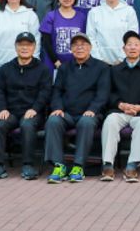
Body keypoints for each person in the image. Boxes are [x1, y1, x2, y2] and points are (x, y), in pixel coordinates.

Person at [0, 32, 52, 182]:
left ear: (34, 47)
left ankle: (28, 165)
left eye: (28, 45)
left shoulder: (43, 69)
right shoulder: (6, 69)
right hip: (11, 112)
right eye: (21, 45)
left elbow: (45, 92)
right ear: (15, 47)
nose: (24, 48)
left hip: (33, 112)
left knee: (27, 124)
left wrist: (35, 109)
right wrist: (2, 109)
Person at [45, 32, 111, 183]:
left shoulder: (101, 67)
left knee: (86, 122)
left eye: (83, 45)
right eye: (75, 45)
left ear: (90, 47)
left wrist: (92, 109)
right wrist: (57, 107)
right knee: (53, 121)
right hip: (67, 113)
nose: (79, 48)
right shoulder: (64, 68)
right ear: (71, 49)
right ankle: (59, 166)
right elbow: (57, 91)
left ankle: (78, 166)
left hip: (90, 113)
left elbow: (103, 93)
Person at [100, 32, 140, 183]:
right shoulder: (114, 70)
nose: (132, 47)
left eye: (136, 45)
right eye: (129, 44)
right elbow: (108, 92)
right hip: (120, 111)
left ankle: (132, 165)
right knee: (110, 121)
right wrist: (120, 104)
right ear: (124, 48)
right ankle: (108, 164)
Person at [86, 0, 139, 65]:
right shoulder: (94, 12)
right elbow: (90, 37)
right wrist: (100, 59)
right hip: (100, 62)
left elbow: (133, 37)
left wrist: (121, 59)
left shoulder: (129, 11)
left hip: (124, 61)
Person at [40, 0, 88, 72]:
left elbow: (85, 41)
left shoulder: (82, 17)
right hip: (53, 64)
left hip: (76, 64)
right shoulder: (51, 16)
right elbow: (46, 42)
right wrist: (56, 61)